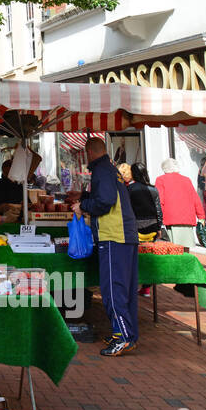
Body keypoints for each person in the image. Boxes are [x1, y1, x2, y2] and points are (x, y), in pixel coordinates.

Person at [72, 138, 139, 356]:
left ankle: (123, 337)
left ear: (90, 152)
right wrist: (85, 197)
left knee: (113, 290)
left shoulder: (102, 170)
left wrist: (83, 205)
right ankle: (127, 334)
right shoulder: (111, 170)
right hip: (124, 235)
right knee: (124, 289)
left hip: (113, 236)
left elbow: (105, 200)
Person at [122, 162, 162, 298]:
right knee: (148, 257)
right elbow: (158, 210)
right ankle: (146, 287)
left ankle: (132, 285)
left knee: (134, 257)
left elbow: (125, 210)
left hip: (135, 227)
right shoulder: (153, 189)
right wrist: (159, 227)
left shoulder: (129, 189)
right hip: (152, 227)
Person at [155, 158, 206, 248]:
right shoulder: (186, 180)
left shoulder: (161, 179)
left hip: (171, 218)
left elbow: (160, 201)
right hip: (187, 218)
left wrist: (159, 220)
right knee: (186, 247)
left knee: (174, 248)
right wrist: (201, 216)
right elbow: (195, 199)